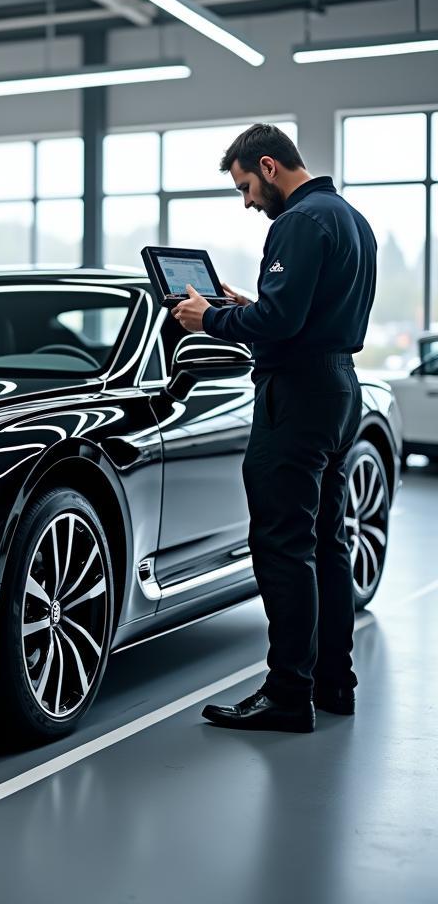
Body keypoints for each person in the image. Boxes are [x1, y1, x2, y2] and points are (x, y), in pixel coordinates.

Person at [171, 123, 377, 733]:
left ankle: (288, 693)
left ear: (267, 164)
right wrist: (243, 308)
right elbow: (298, 311)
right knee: (327, 542)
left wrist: (210, 319)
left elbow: (282, 320)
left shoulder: (300, 221)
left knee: (283, 545)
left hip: (297, 396)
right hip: (340, 389)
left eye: (246, 187)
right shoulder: (351, 219)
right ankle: (333, 683)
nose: (248, 203)